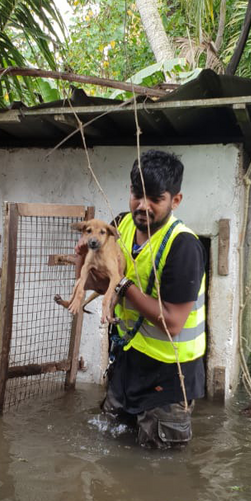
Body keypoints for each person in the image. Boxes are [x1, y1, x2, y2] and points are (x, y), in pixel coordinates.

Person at [85, 150, 206, 448]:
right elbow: (96, 282)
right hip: (127, 362)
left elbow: (174, 323)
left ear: (175, 200)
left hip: (169, 374)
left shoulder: (183, 246)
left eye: (155, 198)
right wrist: (84, 257)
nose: (143, 206)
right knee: (109, 450)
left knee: (161, 471)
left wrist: (122, 285)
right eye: (137, 194)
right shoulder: (120, 226)